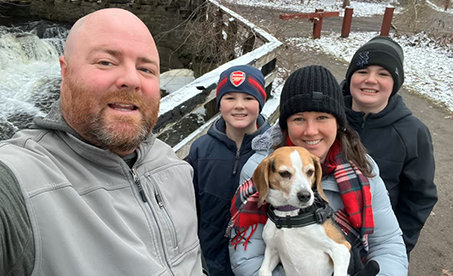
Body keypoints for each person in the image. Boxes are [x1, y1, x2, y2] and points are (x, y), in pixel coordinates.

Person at [0, 8, 205, 276]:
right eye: (106, 62)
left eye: (145, 68)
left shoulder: (173, 166)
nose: (131, 79)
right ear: (65, 71)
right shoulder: (19, 181)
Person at [228, 65, 408, 275]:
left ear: (338, 123)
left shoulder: (363, 168)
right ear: (285, 125)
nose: (311, 131)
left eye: (322, 117)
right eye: (299, 119)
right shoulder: (260, 169)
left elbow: (388, 244)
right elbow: (247, 259)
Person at [341, 36, 438, 255]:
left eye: (383, 74)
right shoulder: (326, 118)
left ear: (395, 83)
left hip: (375, 243)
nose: (371, 80)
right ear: (350, 77)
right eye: (362, 71)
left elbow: (419, 197)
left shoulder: (413, 133)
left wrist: (397, 247)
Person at [188, 65, 270, 276]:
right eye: (230, 98)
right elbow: (190, 205)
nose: (239, 106)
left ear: (261, 102)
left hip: (255, 260)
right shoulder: (201, 149)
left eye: (248, 98)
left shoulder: (274, 152)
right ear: (219, 103)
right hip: (208, 258)